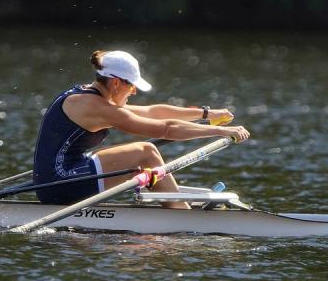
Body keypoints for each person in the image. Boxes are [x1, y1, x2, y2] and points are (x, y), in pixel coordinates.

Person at [32, 50, 250, 209]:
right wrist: (222, 132)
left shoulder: (93, 97)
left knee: (137, 158)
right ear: (116, 83)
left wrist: (206, 114)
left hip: (60, 176)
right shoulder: (97, 107)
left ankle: (173, 207)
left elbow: (152, 112)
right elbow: (166, 129)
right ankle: (180, 214)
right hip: (59, 184)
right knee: (146, 152)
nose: (134, 91)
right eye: (131, 85)